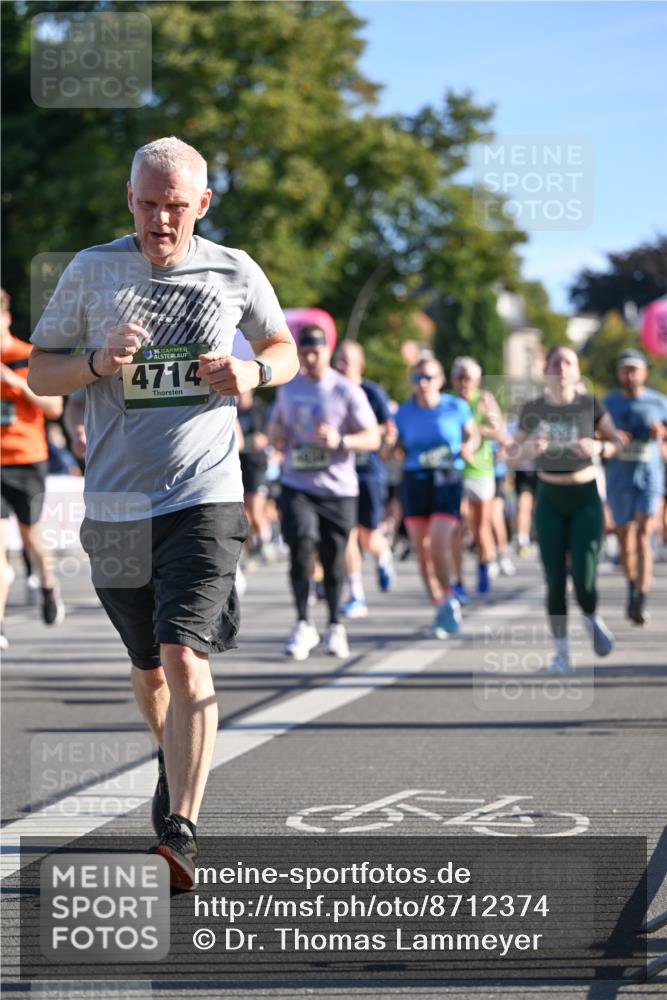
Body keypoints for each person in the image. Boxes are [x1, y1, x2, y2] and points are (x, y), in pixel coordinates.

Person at [27, 137, 298, 888]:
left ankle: (180, 829)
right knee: (147, 667)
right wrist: (93, 364)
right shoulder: (91, 270)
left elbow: (284, 347)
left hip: (204, 492)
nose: (160, 220)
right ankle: (170, 748)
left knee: (184, 655)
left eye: (175, 206)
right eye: (148, 204)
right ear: (129, 199)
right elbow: (38, 372)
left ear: (201, 205)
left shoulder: (234, 268)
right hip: (114, 501)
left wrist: (251, 369)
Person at [269, 324, 380, 661]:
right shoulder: (288, 389)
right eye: (305, 352)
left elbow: (372, 436)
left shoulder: (346, 390)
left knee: (333, 560)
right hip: (297, 485)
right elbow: (276, 425)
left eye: (316, 352)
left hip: (338, 489)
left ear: (327, 352)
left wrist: (341, 441)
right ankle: (303, 622)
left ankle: (334, 624)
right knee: (301, 546)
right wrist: (277, 436)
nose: (310, 358)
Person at [511, 346, 623, 674]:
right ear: (546, 371)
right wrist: (527, 448)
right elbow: (509, 455)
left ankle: (590, 614)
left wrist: (600, 446)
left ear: (576, 370)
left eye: (568, 362)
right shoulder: (534, 409)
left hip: (585, 495)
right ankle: (561, 652)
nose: (561, 368)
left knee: (586, 578)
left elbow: (618, 443)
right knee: (555, 577)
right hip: (550, 497)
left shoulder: (590, 405)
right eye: (555, 363)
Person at [394, 355, 479, 636]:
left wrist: (469, 447)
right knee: (421, 553)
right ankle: (441, 604)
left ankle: (449, 593)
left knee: (438, 545)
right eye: (418, 378)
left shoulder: (456, 406)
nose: (424, 383)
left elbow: (473, 434)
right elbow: (394, 447)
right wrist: (386, 445)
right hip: (415, 480)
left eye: (429, 377)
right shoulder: (404, 413)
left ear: (441, 381)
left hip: (446, 478)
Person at [1, 288, 65, 648]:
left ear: (6, 317)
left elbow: (54, 407)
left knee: (31, 539)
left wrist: (15, 383)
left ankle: (48, 586)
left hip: (27, 459)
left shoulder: (27, 355)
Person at [603, 349, 667, 624]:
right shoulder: (609, 403)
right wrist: (612, 436)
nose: (629, 375)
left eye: (634, 369)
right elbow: (596, 433)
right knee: (625, 543)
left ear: (644, 372)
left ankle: (641, 595)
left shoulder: (658, 402)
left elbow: (665, 435)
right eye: (624, 369)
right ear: (619, 373)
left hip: (649, 477)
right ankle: (631, 587)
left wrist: (660, 433)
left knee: (643, 535)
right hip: (619, 479)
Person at [333, 340, 395, 618]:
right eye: (339, 359)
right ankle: (356, 594)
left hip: (369, 471)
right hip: (338, 472)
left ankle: (383, 554)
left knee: (369, 536)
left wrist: (383, 439)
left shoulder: (371, 392)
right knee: (348, 534)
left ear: (360, 364)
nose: (341, 364)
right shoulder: (330, 390)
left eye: (347, 359)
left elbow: (387, 426)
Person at [450, 356, 511, 595]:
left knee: (481, 528)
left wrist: (478, 429)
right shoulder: (450, 403)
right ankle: (457, 580)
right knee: (456, 525)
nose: (464, 382)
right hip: (455, 471)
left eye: (469, 378)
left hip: (481, 470)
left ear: (476, 380)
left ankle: (484, 565)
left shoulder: (484, 399)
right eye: (460, 377)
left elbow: (500, 432)